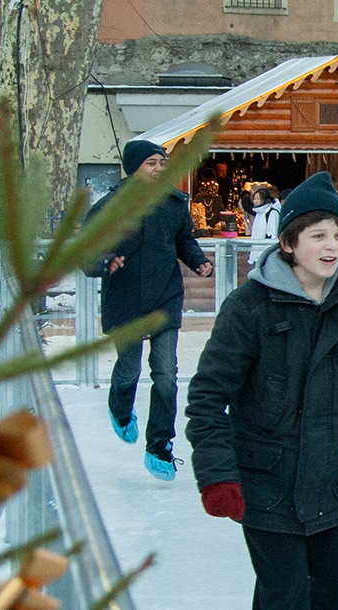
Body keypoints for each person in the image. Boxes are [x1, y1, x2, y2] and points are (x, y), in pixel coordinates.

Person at [185, 172, 338, 610]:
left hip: (336, 473)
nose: (332, 246)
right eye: (318, 236)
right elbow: (207, 398)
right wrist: (217, 474)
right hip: (268, 478)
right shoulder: (249, 307)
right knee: (285, 593)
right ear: (289, 243)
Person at [85, 139, 213, 480]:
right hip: (125, 299)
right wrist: (106, 262)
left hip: (165, 298)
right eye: (151, 164)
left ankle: (159, 446)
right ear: (134, 167)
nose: (158, 169)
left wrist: (198, 261)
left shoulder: (173, 204)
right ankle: (120, 407)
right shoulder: (110, 207)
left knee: (166, 375)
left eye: (162, 163)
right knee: (129, 369)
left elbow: (185, 240)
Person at [247, 185, 282, 265]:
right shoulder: (259, 213)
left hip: (266, 256)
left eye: (258, 199)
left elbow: (273, 235)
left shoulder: (272, 213)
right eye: (254, 199)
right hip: (257, 254)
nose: (255, 201)